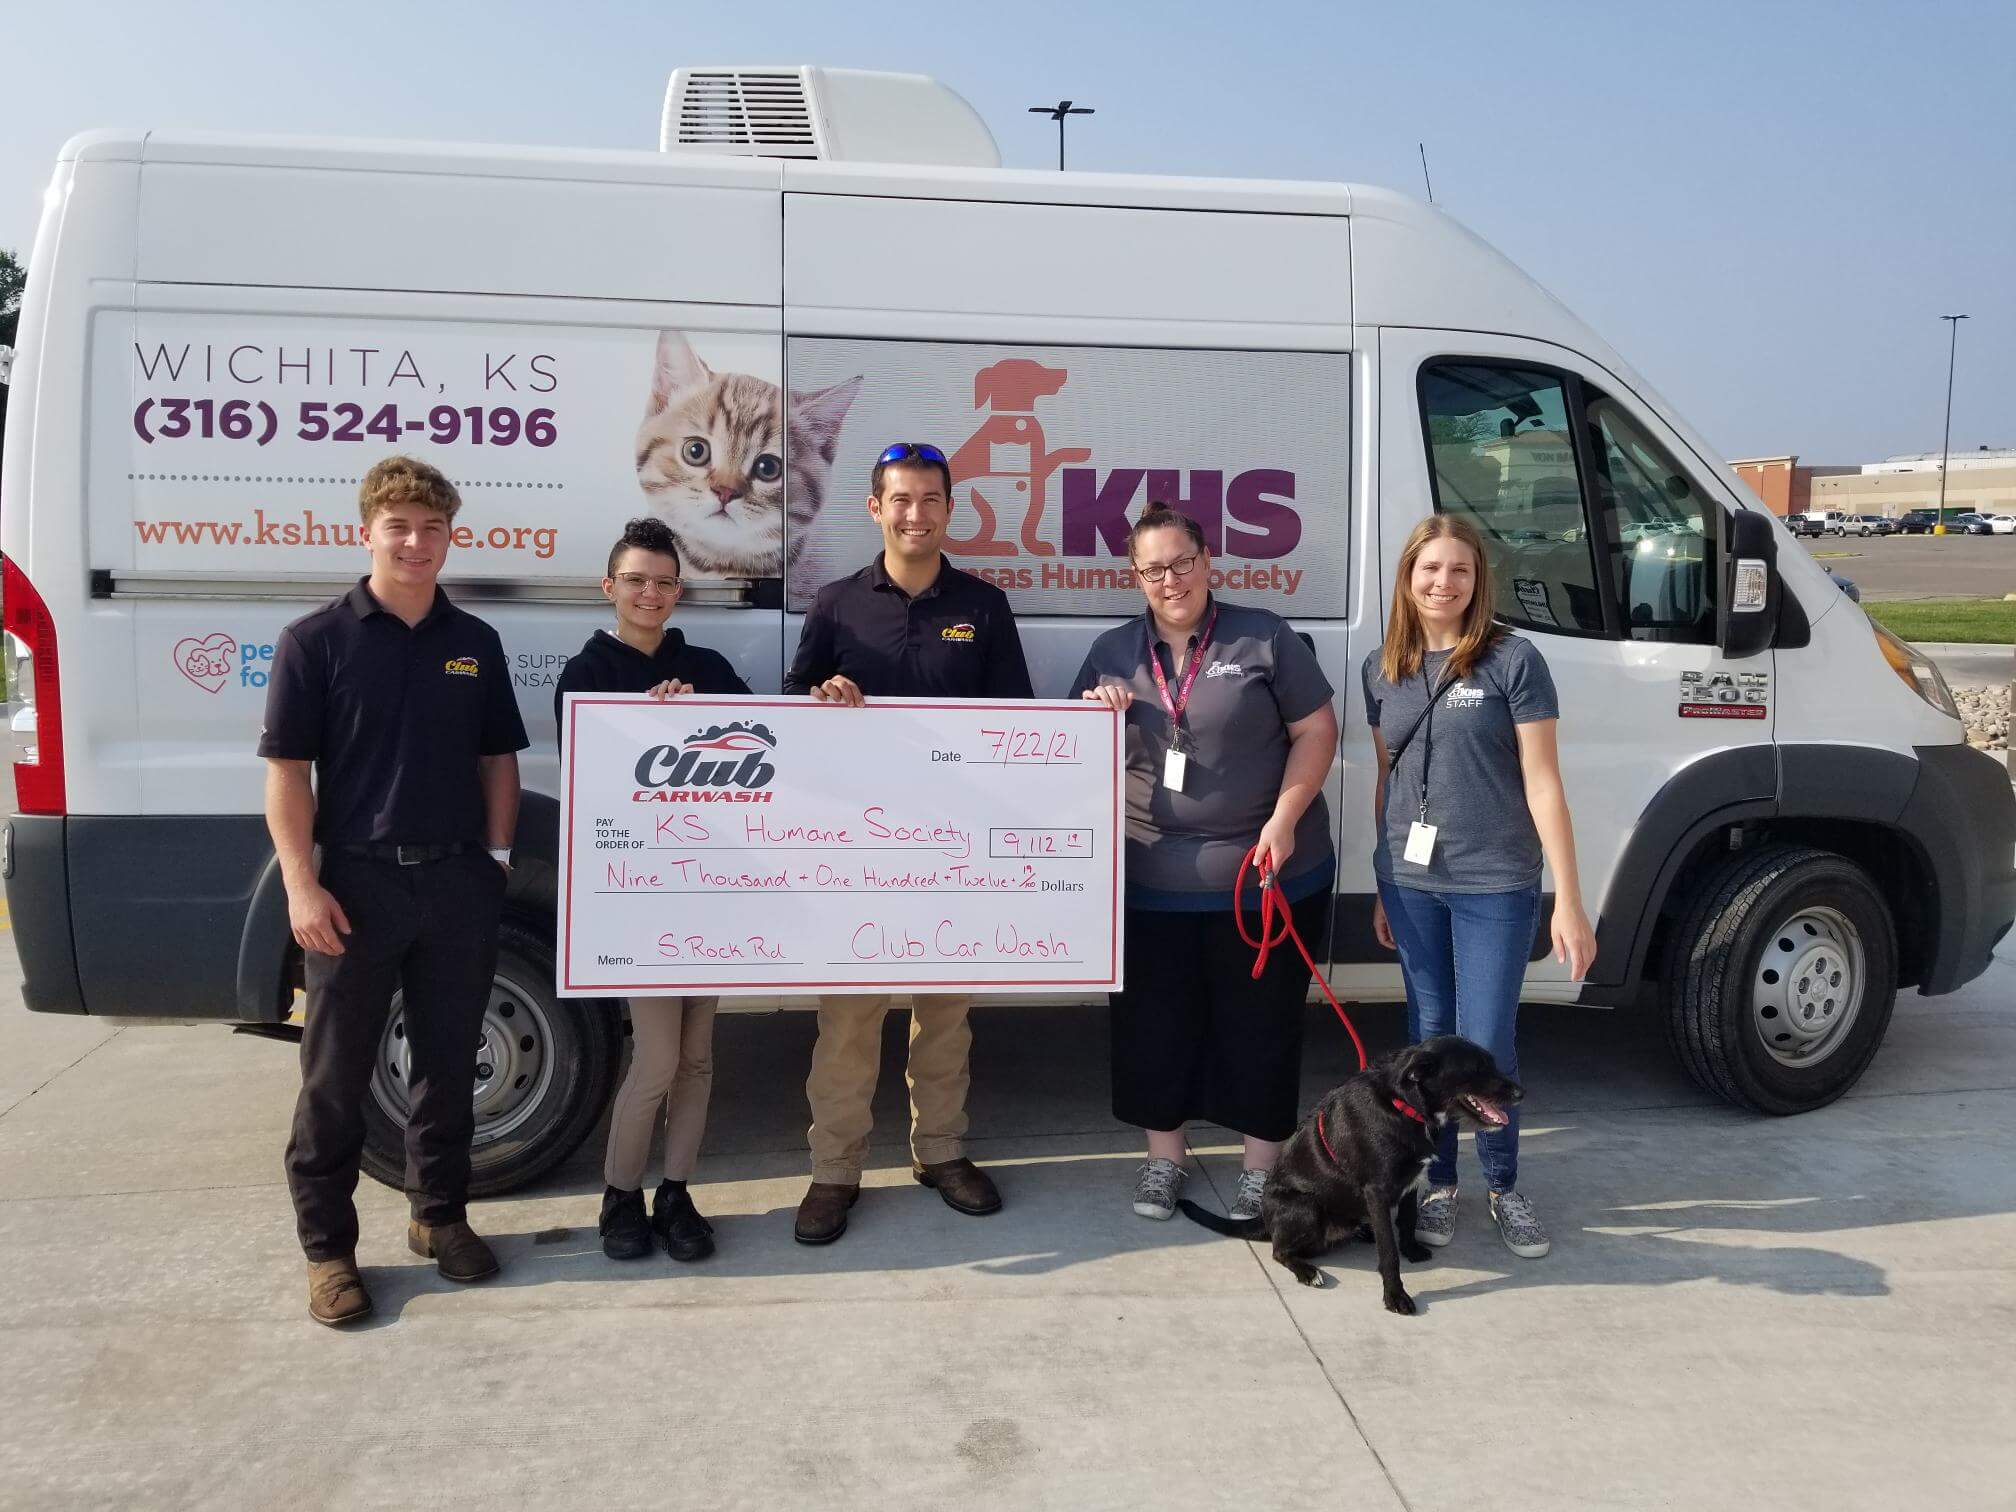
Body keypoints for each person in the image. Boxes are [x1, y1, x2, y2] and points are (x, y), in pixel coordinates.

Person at [260, 455, 529, 1326]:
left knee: (448, 1065)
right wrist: (303, 885)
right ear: (366, 531)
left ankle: (437, 1216)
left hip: (455, 883)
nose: (417, 543)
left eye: (433, 528)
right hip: (356, 886)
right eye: (399, 526)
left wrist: (492, 859)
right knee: (335, 1080)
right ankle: (329, 1252)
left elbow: (499, 759)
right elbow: (288, 773)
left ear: (452, 537)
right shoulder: (317, 640)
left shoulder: (473, 643)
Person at [782, 441, 1035, 1243]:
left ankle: (941, 1151)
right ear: (874, 508)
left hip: (951, 849)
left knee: (944, 1015)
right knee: (849, 1020)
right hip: (856, 847)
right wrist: (824, 697)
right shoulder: (835, 602)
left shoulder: (984, 605)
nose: (915, 513)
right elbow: (794, 708)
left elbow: (1017, 724)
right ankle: (835, 1170)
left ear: (948, 509)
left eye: (930, 499)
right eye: (900, 499)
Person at [1070, 503, 1340, 1224]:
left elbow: (1317, 730)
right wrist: (1096, 713)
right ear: (1135, 576)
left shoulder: (1265, 636)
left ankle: (1260, 1168)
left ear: (1207, 560)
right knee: (1154, 1027)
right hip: (1149, 883)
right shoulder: (1112, 651)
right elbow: (1063, 758)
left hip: (1265, 881)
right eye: (1154, 568)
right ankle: (1165, 1159)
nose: (1171, 579)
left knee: (1261, 1025)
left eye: (1182, 562)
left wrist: (1285, 820)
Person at [1363, 514, 1596, 1260]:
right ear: (1407, 577)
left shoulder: (1512, 660)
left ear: (1477, 580)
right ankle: (1440, 1183)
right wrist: (1381, 879)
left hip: (1495, 881)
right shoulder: (1384, 668)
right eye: (1429, 568)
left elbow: (1544, 784)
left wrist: (1570, 898)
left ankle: (1503, 1185)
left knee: (1487, 1043)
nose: (1443, 582)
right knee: (1427, 1046)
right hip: (1409, 879)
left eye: (1458, 570)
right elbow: (1387, 777)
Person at [555, 517, 751, 1263]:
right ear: (611, 588)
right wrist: (652, 724)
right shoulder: (586, 676)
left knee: (699, 1058)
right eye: (636, 580)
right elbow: (597, 782)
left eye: (665, 581)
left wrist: (699, 713)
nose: (651, 593)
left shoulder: (706, 666)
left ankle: (676, 1191)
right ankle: (619, 1193)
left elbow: (771, 742)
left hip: (710, 893)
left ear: (679, 590)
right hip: (639, 902)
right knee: (659, 1058)